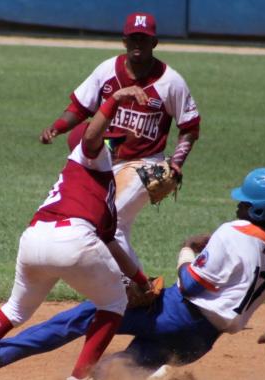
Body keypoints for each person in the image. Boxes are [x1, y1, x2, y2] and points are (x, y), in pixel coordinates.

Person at [0, 168, 265, 380]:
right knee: (111, 373)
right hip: (199, 343)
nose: (238, 206)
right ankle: (157, 379)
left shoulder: (232, 231)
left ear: (258, 209)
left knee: (86, 316)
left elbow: (190, 284)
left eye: (244, 203)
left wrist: (186, 251)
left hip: (174, 312)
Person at [0, 88, 151, 380]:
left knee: (14, 310)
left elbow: (110, 242)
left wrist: (142, 280)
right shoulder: (92, 156)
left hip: (35, 240)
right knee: (114, 303)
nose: (114, 145)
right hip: (73, 240)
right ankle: (80, 379)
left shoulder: (89, 181)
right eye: (111, 139)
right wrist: (115, 99)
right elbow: (91, 138)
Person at [40, 11, 200, 270]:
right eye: (133, 38)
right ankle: (132, 289)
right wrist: (56, 128)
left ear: (154, 43)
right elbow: (80, 107)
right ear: (124, 41)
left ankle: (137, 289)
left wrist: (178, 161)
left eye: (144, 39)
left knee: (109, 222)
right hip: (107, 162)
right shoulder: (106, 70)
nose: (138, 44)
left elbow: (190, 128)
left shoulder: (171, 82)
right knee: (107, 224)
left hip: (146, 165)